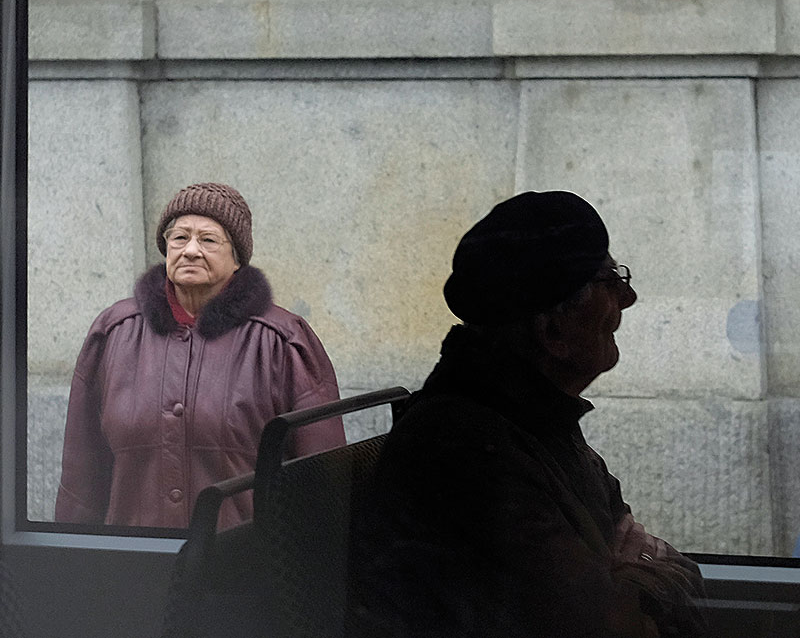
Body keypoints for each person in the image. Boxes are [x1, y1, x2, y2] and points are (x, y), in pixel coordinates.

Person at [351, 191, 708, 638]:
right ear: (552, 330)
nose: (629, 296)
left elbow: (677, 569)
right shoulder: (469, 454)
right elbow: (617, 629)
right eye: (609, 279)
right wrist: (636, 570)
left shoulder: (531, 420)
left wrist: (631, 573)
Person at [55, 182, 345, 529]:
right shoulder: (115, 332)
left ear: (237, 258)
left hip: (241, 569)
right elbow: (81, 476)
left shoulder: (283, 341)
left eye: (208, 240)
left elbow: (322, 480)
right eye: (179, 238)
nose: (190, 250)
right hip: (132, 565)